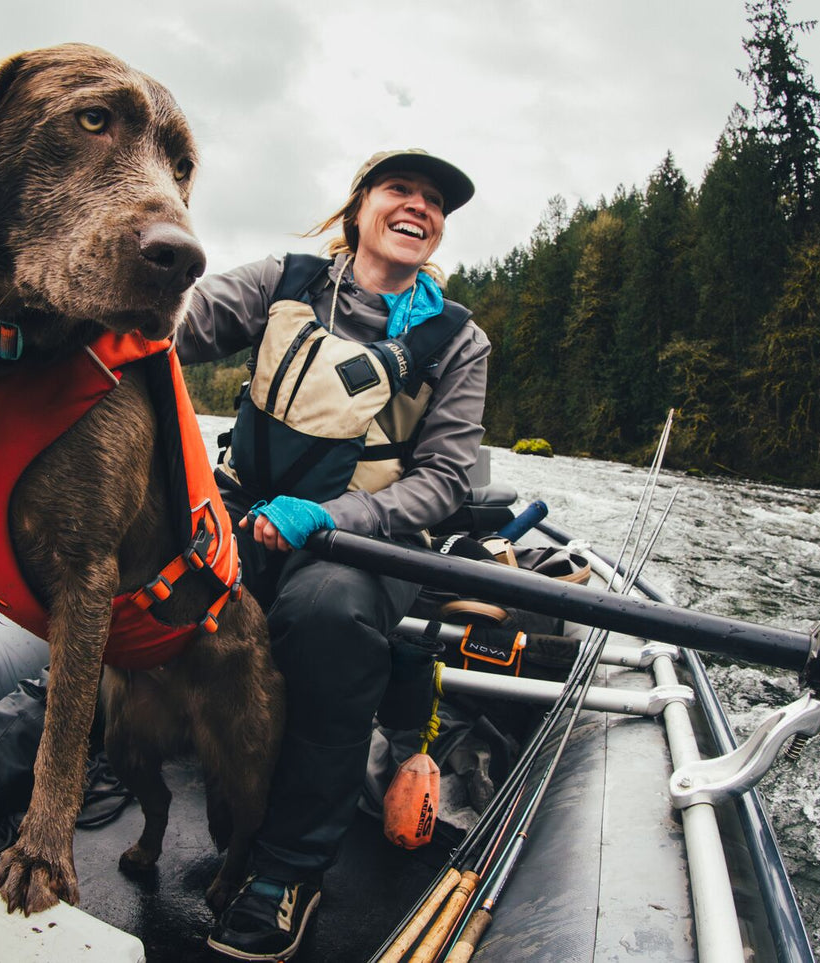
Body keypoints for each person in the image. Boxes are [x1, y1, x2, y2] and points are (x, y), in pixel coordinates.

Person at [175, 148, 490, 961]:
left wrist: (327, 516)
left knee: (324, 609)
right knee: (147, 578)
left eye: (434, 201)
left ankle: (289, 872)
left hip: (368, 540)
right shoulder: (287, 280)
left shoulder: (458, 340)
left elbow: (447, 480)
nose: (417, 207)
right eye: (400, 190)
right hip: (243, 510)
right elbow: (173, 328)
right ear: (359, 208)